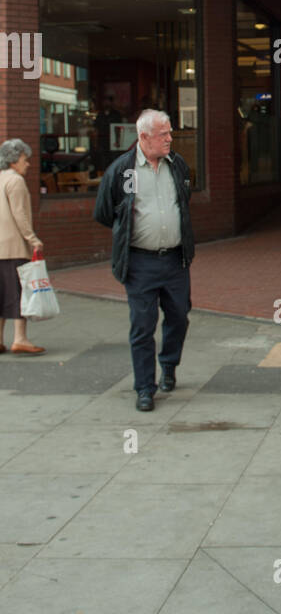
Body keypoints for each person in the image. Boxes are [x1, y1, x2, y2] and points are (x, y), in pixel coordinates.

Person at [94, 109, 195, 412]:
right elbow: (104, 212)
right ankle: (144, 388)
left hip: (175, 261)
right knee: (142, 326)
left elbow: (184, 203)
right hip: (140, 264)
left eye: (169, 132)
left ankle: (169, 365)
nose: (170, 138)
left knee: (179, 317)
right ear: (144, 137)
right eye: (163, 134)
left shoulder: (177, 165)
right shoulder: (123, 171)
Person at [0, 139, 45, 355]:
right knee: (17, 293)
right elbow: (20, 214)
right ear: (15, 160)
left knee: (1, 294)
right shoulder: (15, 181)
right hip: (14, 246)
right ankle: (20, 339)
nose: (27, 164)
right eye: (25, 159)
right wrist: (32, 238)